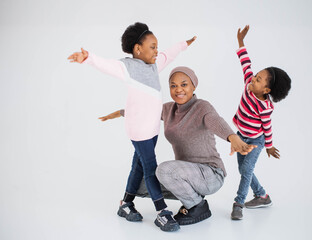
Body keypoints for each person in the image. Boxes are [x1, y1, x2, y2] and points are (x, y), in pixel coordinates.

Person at [68, 22, 196, 232]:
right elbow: (108, 65)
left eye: (156, 47)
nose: (157, 51)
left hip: (152, 129)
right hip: (139, 130)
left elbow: (167, 55)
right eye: (152, 47)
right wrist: (88, 57)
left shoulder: (154, 65)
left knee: (138, 165)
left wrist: (184, 44)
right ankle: (162, 212)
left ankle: (126, 204)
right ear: (138, 49)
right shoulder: (129, 67)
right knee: (149, 168)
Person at [101, 66, 256, 225]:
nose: (178, 89)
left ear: (193, 86)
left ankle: (197, 206)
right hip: (187, 175)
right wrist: (119, 113)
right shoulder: (168, 109)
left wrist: (232, 138)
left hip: (211, 173)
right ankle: (193, 198)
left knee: (164, 170)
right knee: (141, 184)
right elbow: (144, 111)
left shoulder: (202, 107)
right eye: (173, 86)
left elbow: (216, 121)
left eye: (184, 84)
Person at [230, 25, 291, 220]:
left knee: (246, 170)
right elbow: (245, 63)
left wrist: (269, 147)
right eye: (256, 76)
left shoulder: (264, 107)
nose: (253, 79)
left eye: (258, 80)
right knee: (242, 169)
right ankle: (262, 195)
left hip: (256, 140)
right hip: (241, 136)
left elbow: (267, 128)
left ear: (266, 91)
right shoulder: (249, 84)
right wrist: (241, 42)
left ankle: (238, 203)